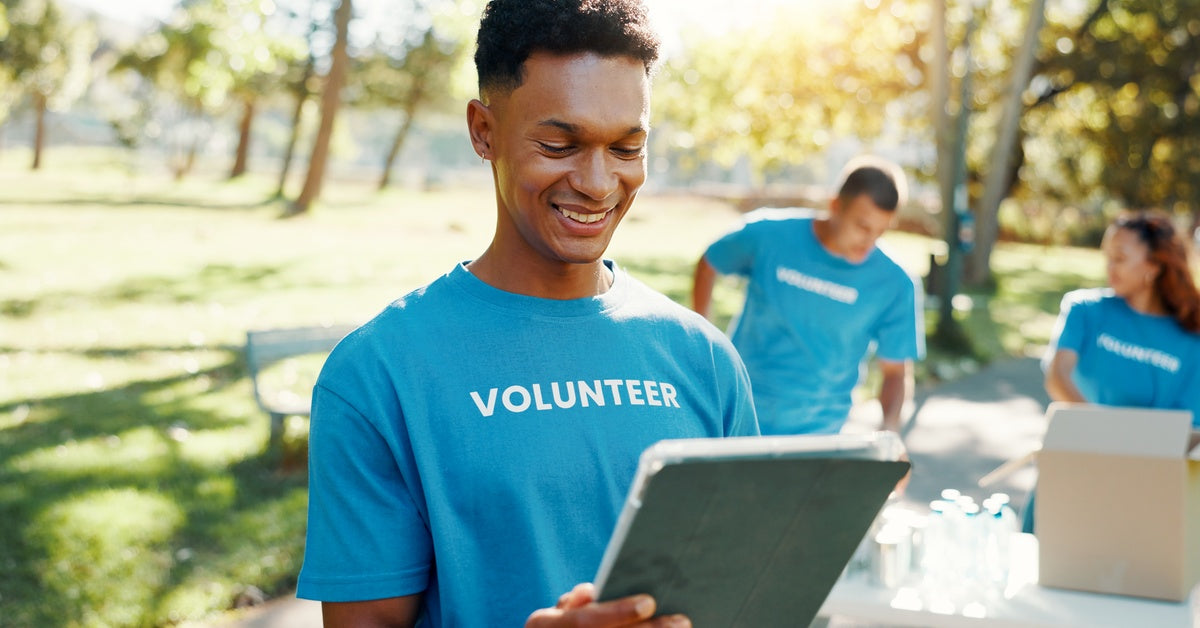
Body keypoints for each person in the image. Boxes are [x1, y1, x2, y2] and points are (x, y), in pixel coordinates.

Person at [295, 1, 759, 626]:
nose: (597, 182)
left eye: (626, 147)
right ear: (484, 131)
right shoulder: (378, 375)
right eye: (559, 144)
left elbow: (746, 589)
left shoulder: (703, 359)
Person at [692, 157, 925, 436]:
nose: (869, 242)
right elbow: (710, 261)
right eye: (863, 227)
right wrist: (704, 339)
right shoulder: (769, 235)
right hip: (738, 416)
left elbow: (895, 373)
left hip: (820, 434)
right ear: (835, 205)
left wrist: (890, 431)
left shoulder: (895, 283)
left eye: (881, 231)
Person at [1024, 209, 1200, 533]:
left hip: (1147, 492)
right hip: (1074, 468)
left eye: (1120, 258)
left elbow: (1189, 429)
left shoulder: (1192, 338)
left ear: (1154, 265)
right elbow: (1057, 375)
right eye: (1107, 256)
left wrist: (1120, 443)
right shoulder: (1084, 310)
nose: (1109, 267)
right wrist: (1104, 433)